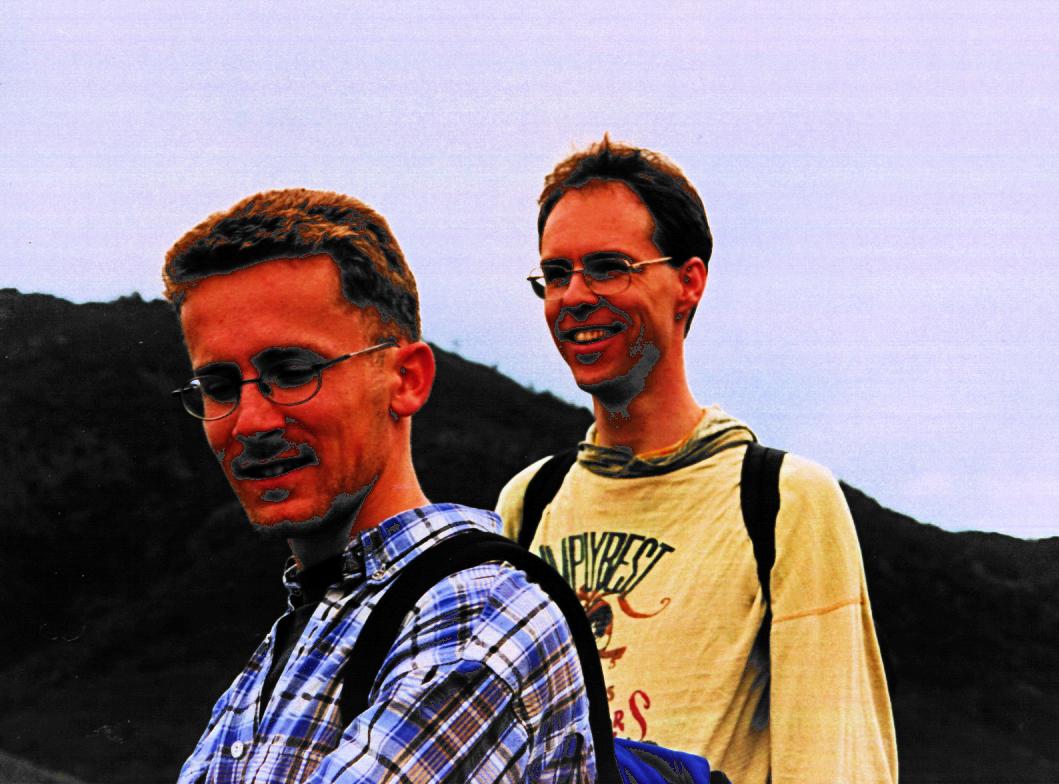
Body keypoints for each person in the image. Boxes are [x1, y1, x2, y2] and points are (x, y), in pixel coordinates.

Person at [496, 139, 898, 783]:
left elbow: (833, 761)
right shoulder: (529, 502)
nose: (574, 296)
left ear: (689, 282)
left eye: (608, 267)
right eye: (556, 273)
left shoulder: (782, 499)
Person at [165, 188, 595, 783]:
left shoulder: (474, 616)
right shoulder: (310, 624)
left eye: (292, 372)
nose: (251, 421)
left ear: (407, 379)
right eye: (218, 386)